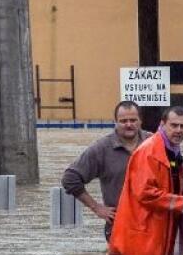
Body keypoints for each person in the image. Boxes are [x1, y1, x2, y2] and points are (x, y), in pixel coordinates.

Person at [108, 106, 183, 255]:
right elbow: (145, 193)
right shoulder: (149, 152)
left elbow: (170, 189)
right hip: (140, 242)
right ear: (163, 124)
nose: (179, 130)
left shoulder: (172, 152)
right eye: (174, 125)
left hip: (153, 239)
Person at [61, 101, 152, 240]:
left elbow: (179, 169)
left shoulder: (154, 143)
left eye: (133, 120)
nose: (129, 124)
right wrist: (97, 208)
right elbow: (70, 178)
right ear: (115, 122)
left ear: (140, 121)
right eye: (123, 121)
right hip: (119, 228)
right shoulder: (101, 149)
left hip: (154, 225)